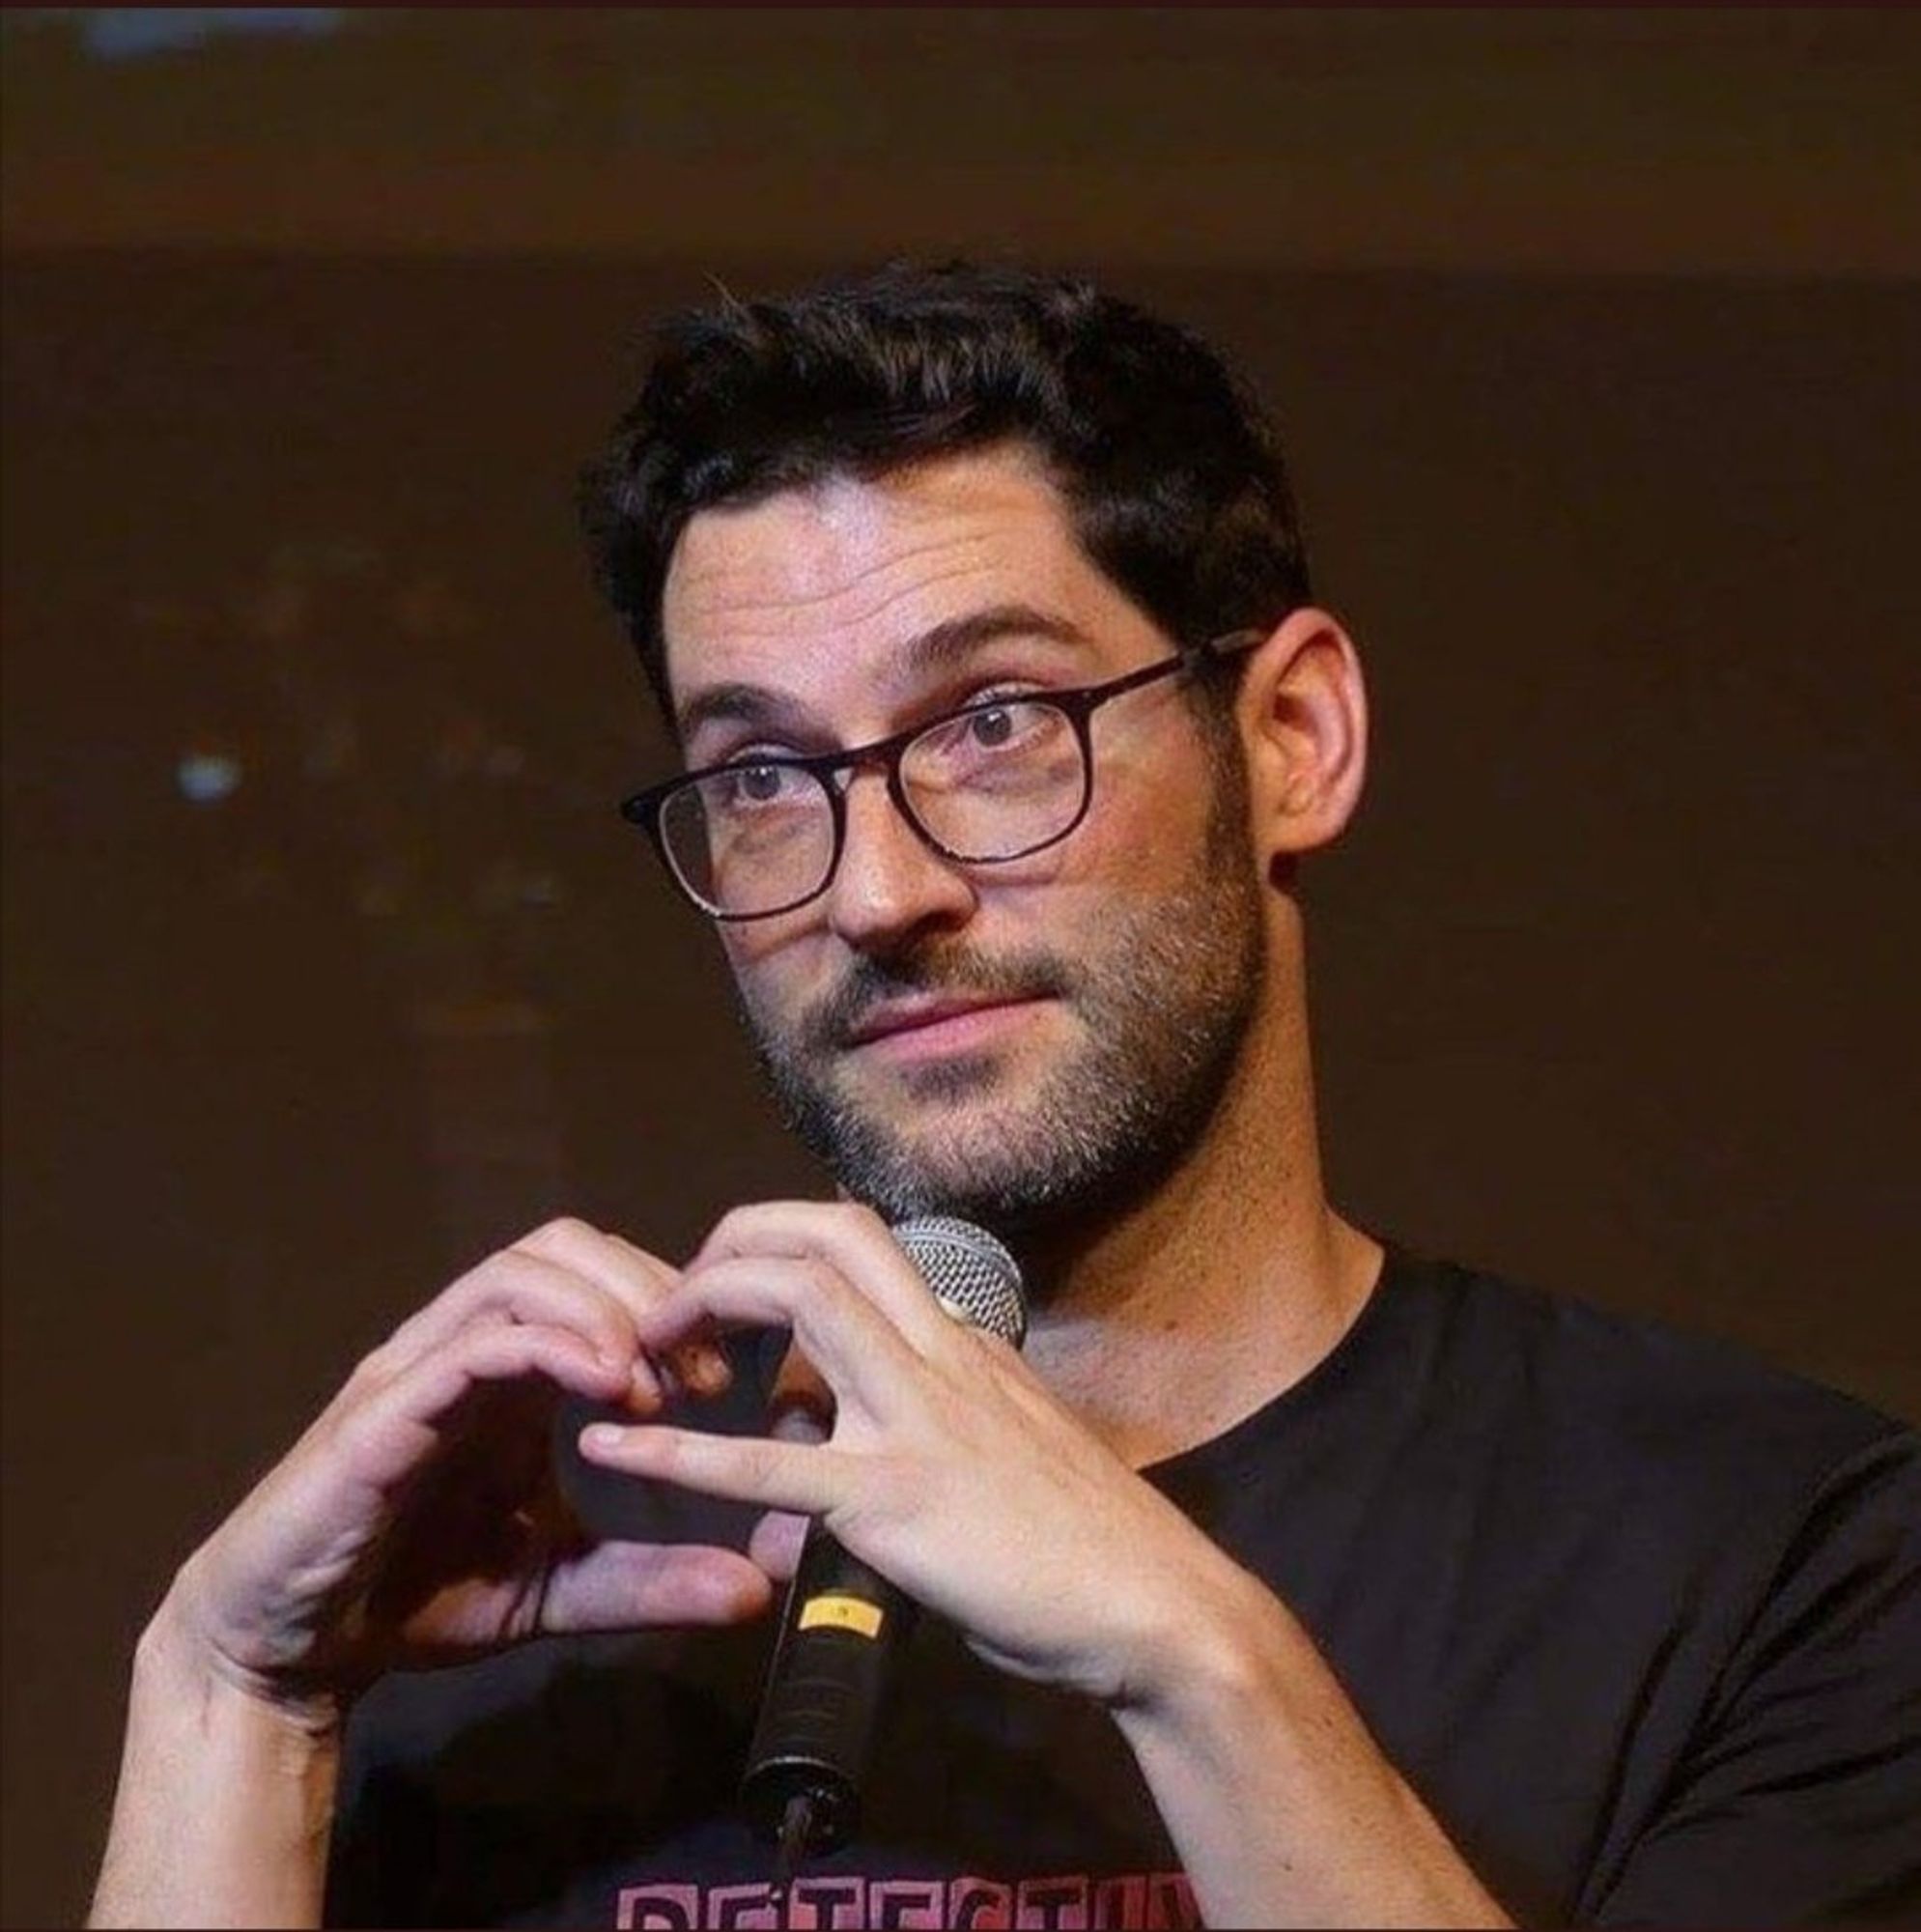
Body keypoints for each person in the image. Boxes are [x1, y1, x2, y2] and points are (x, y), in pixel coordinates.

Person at [90, 264, 1919, 1931]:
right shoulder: (539, 1575)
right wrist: (225, 1693)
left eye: (991, 724)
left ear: (1288, 741)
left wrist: (1194, 1656)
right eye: (761, 776)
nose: (876, 892)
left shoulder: (1776, 1563)